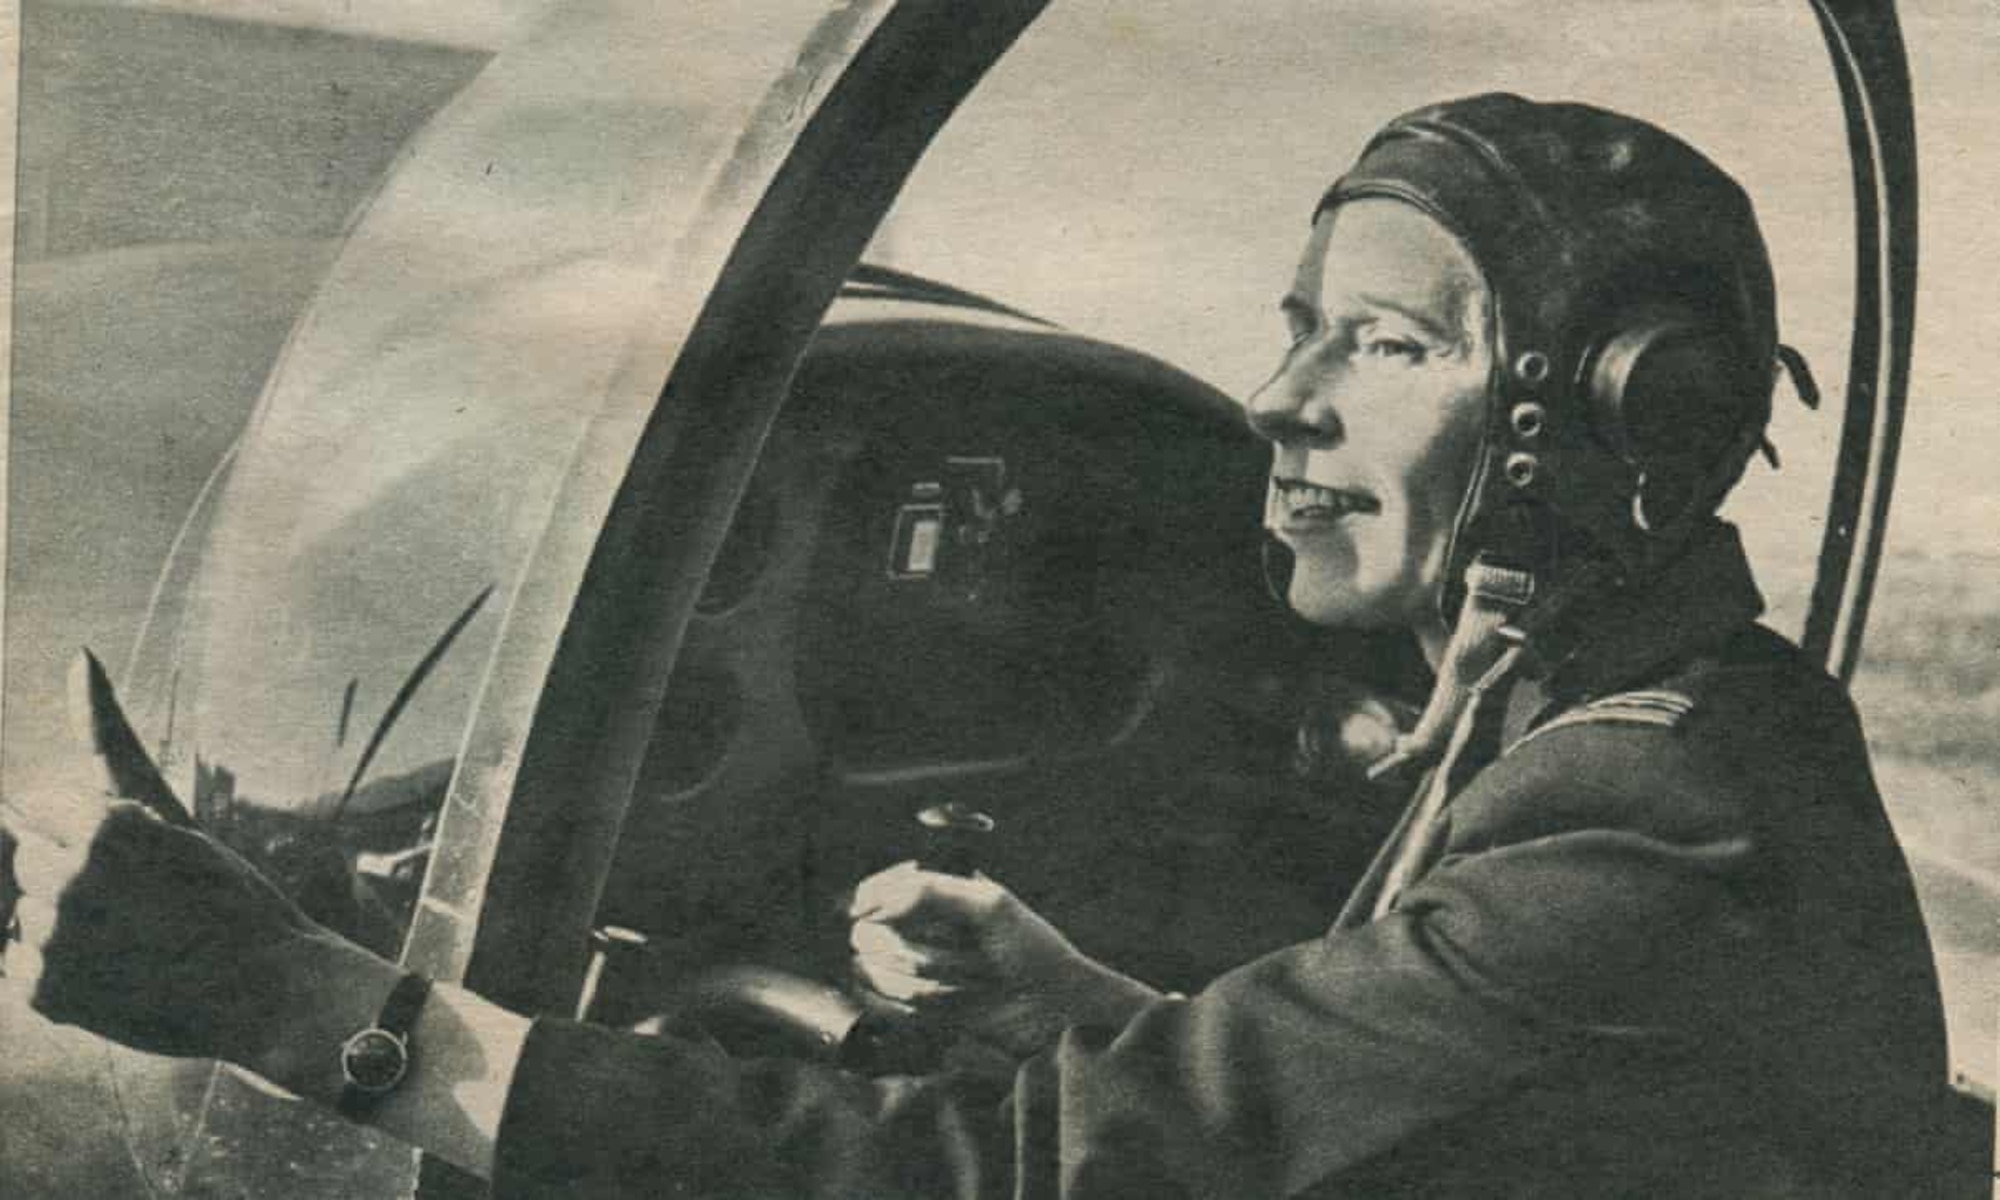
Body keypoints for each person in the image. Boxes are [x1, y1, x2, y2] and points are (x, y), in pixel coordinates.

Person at [0, 94, 1958, 1197]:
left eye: (1384, 342)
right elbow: (1430, 1109)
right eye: (1294, 326)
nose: (1279, 404)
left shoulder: (1652, 816)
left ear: (1617, 423)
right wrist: (1078, 991)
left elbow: (997, 1181)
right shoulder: (1628, 713)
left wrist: (308, 1008)